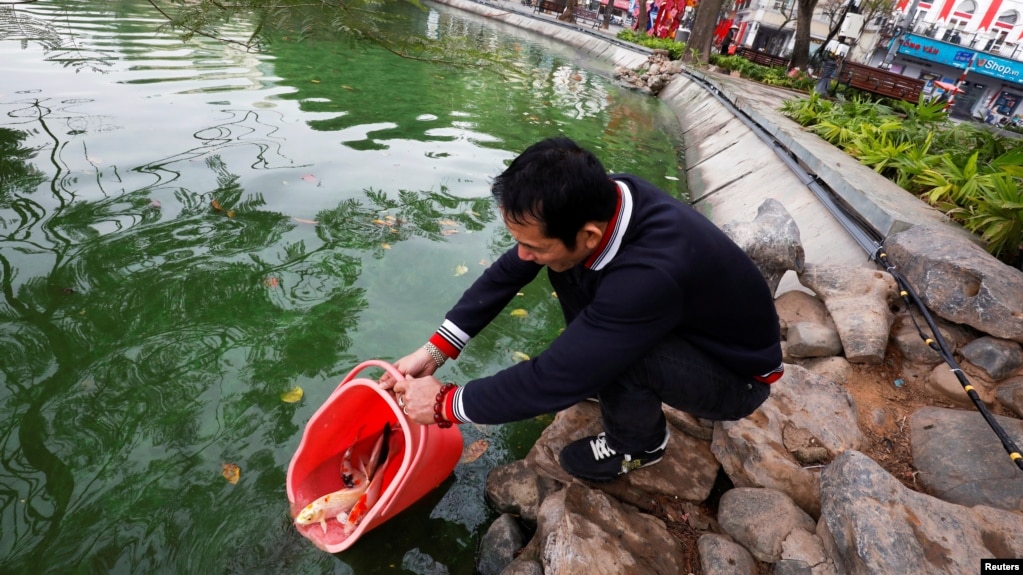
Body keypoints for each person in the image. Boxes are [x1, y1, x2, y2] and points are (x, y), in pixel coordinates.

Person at [380, 136, 783, 483]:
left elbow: (551, 379)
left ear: (588, 234)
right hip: (681, 327)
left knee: (617, 356)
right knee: (563, 268)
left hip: (738, 378)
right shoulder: (601, 203)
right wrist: (435, 350)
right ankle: (596, 378)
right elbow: (509, 272)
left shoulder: (651, 274)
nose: (522, 254)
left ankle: (640, 444)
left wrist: (444, 404)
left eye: (533, 244)